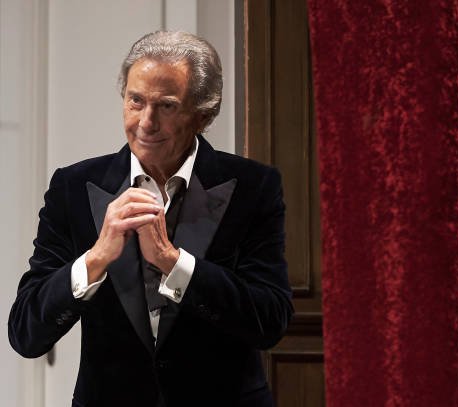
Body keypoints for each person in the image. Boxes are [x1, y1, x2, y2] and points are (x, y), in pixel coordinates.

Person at [8, 31, 293, 407]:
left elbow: (269, 321)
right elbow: (26, 332)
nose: (146, 122)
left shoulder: (255, 187)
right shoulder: (72, 187)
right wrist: (95, 260)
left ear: (203, 115)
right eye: (135, 101)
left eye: (167, 106)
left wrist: (174, 264)